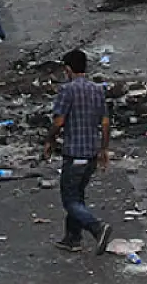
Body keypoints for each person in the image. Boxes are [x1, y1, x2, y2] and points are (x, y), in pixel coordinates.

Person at [44, 48, 114, 253]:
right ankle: (72, 238)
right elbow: (106, 123)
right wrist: (103, 149)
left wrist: (49, 140)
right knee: (78, 195)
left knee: (70, 200)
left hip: (74, 153)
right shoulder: (98, 90)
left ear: (68, 69)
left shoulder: (67, 90)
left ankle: (97, 227)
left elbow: (59, 121)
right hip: (92, 153)